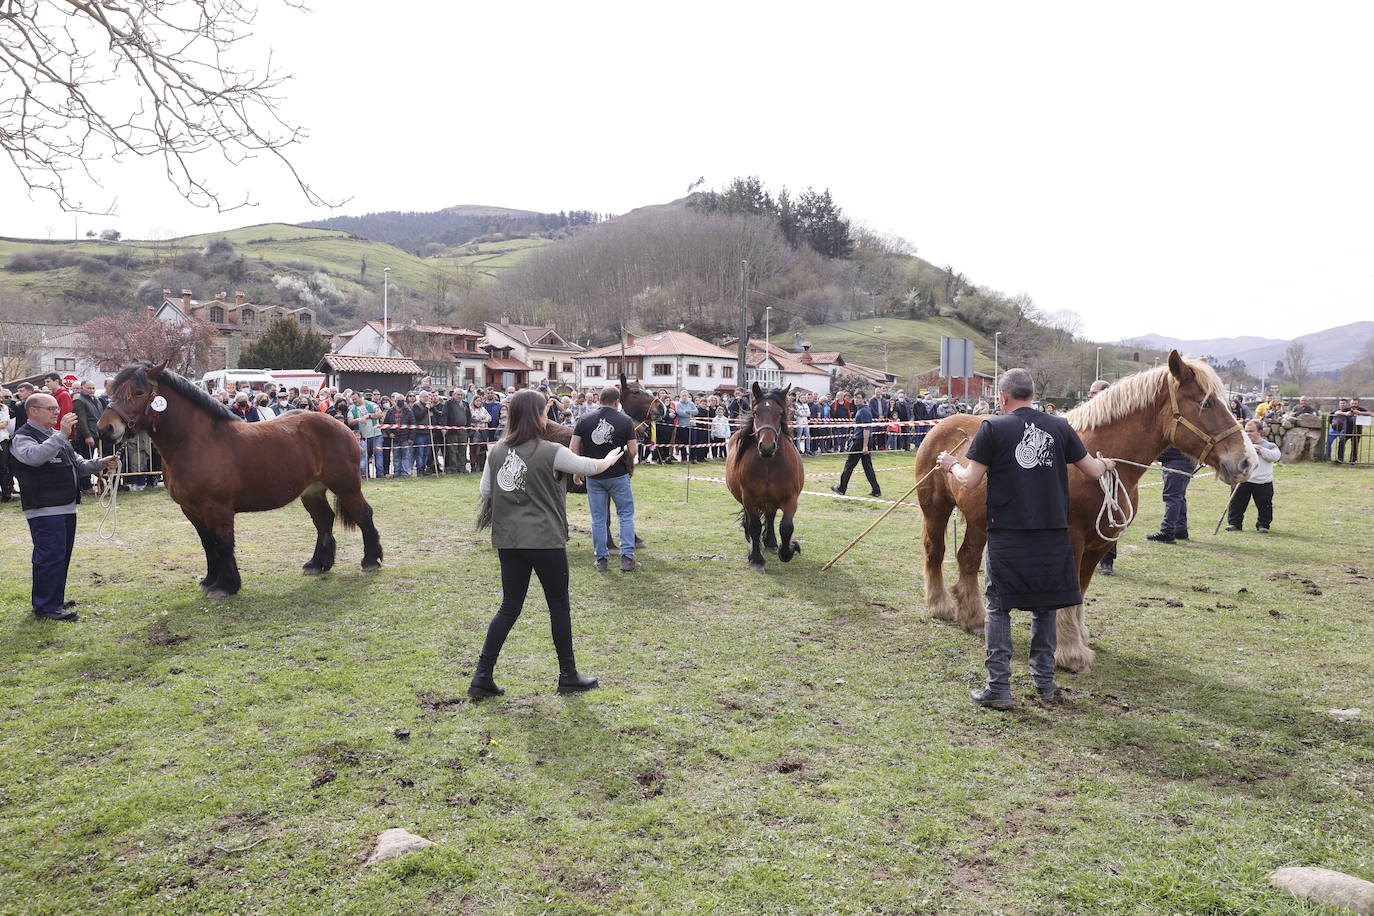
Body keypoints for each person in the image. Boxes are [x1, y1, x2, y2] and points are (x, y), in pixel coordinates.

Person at [936, 368, 1115, 709]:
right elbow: (1092, 470)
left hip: (1008, 534)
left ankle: (999, 688)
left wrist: (950, 464)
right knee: (1044, 609)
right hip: (1052, 535)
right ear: (1032, 394)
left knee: (1000, 610)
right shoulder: (1061, 426)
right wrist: (1105, 465)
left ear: (1003, 397)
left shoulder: (992, 428)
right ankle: (1044, 685)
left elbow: (969, 479)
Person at [469, 389, 626, 700]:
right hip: (545, 541)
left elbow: (487, 489)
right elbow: (587, 467)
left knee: (509, 607)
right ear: (537, 415)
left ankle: (482, 676)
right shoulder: (552, 450)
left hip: (509, 541)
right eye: (544, 411)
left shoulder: (496, 451)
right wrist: (608, 459)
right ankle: (568, 675)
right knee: (558, 606)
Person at [10, 393, 119, 621]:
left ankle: (53, 600)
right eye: (50, 408)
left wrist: (100, 463)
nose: (57, 412)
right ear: (33, 411)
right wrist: (61, 434)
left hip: (65, 506)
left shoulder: (54, 436)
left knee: (61, 556)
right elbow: (34, 457)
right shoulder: (23, 437)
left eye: (56, 408)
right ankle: (46, 607)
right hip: (44, 508)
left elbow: (78, 463)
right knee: (49, 556)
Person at [572, 385, 640, 572]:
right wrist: (625, 459)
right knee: (625, 515)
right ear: (617, 402)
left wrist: (577, 471)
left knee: (598, 518)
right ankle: (627, 558)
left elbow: (573, 447)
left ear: (599, 399)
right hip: (618, 475)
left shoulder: (584, 419)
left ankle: (601, 559)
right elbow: (633, 451)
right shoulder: (625, 420)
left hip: (594, 476)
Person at [1085, 380, 1117, 574]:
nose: (1090, 396)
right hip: (1089, 470)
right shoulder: (1087, 415)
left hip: (1109, 473)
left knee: (1110, 514)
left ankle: (1108, 560)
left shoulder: (1115, 418)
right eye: (1090, 392)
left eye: (1093, 392)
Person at [1226, 420, 1279, 532]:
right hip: (1243, 480)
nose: (1248, 434)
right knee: (1236, 503)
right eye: (1246, 431)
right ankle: (1235, 524)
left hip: (1263, 482)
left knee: (1264, 505)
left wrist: (1260, 450)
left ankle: (1263, 525)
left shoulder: (1269, 445)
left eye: (1251, 431)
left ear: (1260, 431)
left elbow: (1275, 457)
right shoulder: (1241, 444)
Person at [831, 388, 882, 498]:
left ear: (864, 399)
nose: (856, 400)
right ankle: (876, 490)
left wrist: (864, 446)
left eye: (859, 398)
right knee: (867, 467)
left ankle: (841, 488)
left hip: (861, 441)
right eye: (855, 397)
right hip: (861, 440)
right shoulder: (862, 409)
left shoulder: (864, 411)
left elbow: (866, 429)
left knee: (849, 465)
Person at [1144, 445, 1198, 544]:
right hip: (1178, 461)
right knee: (1178, 497)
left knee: (1173, 498)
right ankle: (1180, 530)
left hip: (1178, 462)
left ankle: (1166, 532)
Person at [348, 391, 383, 478]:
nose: (354, 401)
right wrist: (358, 419)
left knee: (378, 454)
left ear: (361, 397)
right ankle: (365, 475)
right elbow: (350, 421)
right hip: (362, 437)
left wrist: (369, 416)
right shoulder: (352, 409)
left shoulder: (371, 405)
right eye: (353, 400)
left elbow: (380, 414)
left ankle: (380, 474)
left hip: (376, 435)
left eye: (355, 399)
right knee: (364, 456)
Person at [444, 388, 472, 473]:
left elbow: (468, 416)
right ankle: (454, 468)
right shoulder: (448, 403)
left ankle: (462, 467)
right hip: (452, 430)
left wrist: (468, 428)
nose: (459, 396)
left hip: (463, 430)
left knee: (462, 449)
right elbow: (445, 415)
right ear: (453, 395)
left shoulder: (465, 404)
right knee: (453, 450)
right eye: (458, 394)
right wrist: (444, 427)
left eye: (461, 395)